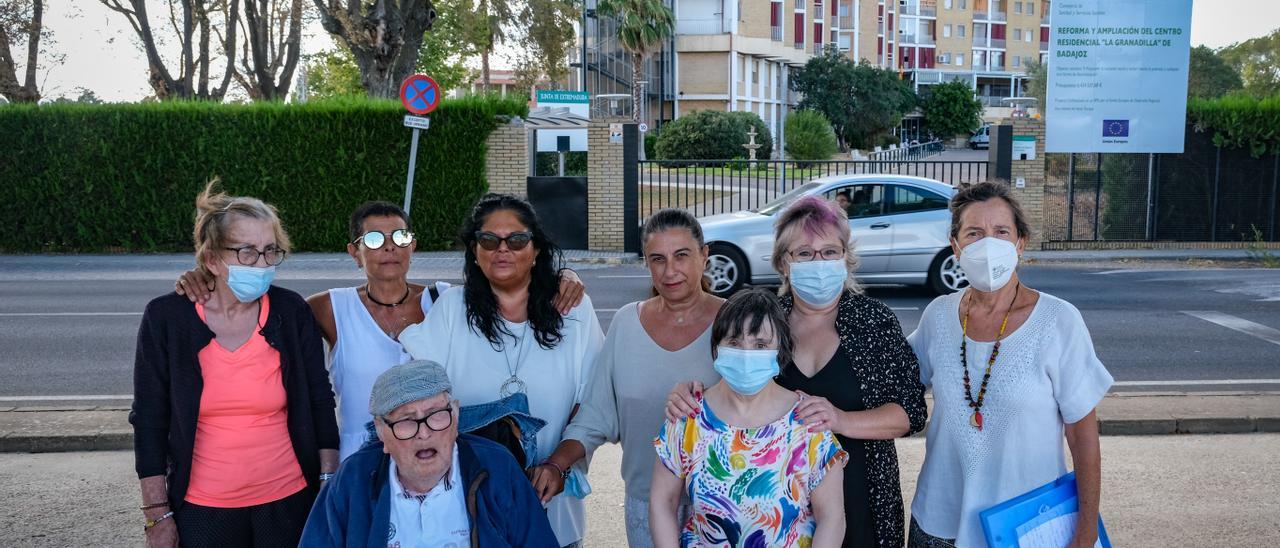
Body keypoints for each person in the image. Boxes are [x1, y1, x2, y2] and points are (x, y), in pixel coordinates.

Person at [175, 201, 586, 461]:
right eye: (374, 238)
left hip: (432, 458)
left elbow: (508, 280)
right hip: (358, 460)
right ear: (354, 251)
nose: (389, 246)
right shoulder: (328, 309)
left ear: (413, 246)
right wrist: (205, 275)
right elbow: (258, 307)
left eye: (400, 236)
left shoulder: (447, 301)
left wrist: (562, 275)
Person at [667, 196, 929, 546]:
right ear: (784, 264)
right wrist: (687, 394)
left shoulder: (874, 322)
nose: (817, 262)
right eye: (804, 253)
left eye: (829, 252)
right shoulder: (765, 322)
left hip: (863, 494)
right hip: (777, 506)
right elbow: (730, 387)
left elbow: (911, 412)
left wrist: (839, 420)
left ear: (845, 259)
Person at [131, 182, 339, 548]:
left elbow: (320, 400)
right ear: (212, 259)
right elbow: (149, 417)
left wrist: (327, 485)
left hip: (289, 499)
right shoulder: (167, 318)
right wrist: (156, 515)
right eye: (247, 252)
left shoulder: (291, 313)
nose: (262, 264)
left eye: (270, 251)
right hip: (202, 507)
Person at [905, 182, 1113, 548]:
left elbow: (1082, 436)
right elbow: (894, 381)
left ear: (1020, 243)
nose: (988, 244)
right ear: (955, 246)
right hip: (939, 521)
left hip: (1026, 526)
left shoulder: (1058, 321)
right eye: (974, 233)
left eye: (1001, 231)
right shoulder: (938, 316)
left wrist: (1085, 529)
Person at [399, 193, 604, 548]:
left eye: (518, 239)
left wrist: (556, 465)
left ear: (536, 249)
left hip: (552, 502)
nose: (502, 249)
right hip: (471, 507)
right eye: (489, 240)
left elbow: (593, 407)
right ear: (475, 253)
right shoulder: (452, 309)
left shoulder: (573, 310)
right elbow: (421, 401)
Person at [540, 209, 724, 548]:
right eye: (658, 259)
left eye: (681, 256)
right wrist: (555, 465)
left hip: (726, 505)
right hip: (646, 506)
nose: (670, 271)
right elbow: (595, 416)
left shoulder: (736, 323)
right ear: (646, 264)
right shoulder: (626, 324)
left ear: (704, 255)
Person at [650, 288, 848, 548]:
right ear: (716, 347)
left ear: (780, 350)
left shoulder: (808, 422)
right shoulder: (688, 417)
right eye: (733, 342)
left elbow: (832, 517)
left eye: (761, 344)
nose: (746, 353)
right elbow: (662, 502)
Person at [300, 359, 559, 547]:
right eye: (406, 420)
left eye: (436, 416)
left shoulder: (497, 467)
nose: (424, 433)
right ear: (381, 432)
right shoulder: (354, 478)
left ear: (455, 416)